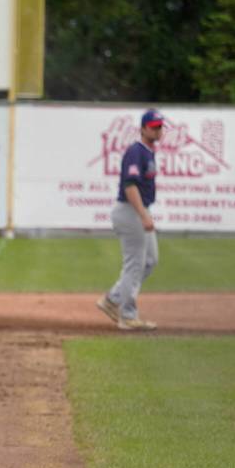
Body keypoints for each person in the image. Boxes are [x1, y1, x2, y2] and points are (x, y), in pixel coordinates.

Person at [96, 108, 163, 331]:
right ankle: (127, 315)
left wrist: (144, 213)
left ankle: (112, 299)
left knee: (150, 260)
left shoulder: (148, 152)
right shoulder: (137, 151)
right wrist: (143, 215)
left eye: (160, 126)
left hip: (138, 210)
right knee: (134, 264)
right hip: (130, 210)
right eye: (153, 127)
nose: (157, 130)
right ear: (143, 128)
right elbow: (130, 185)